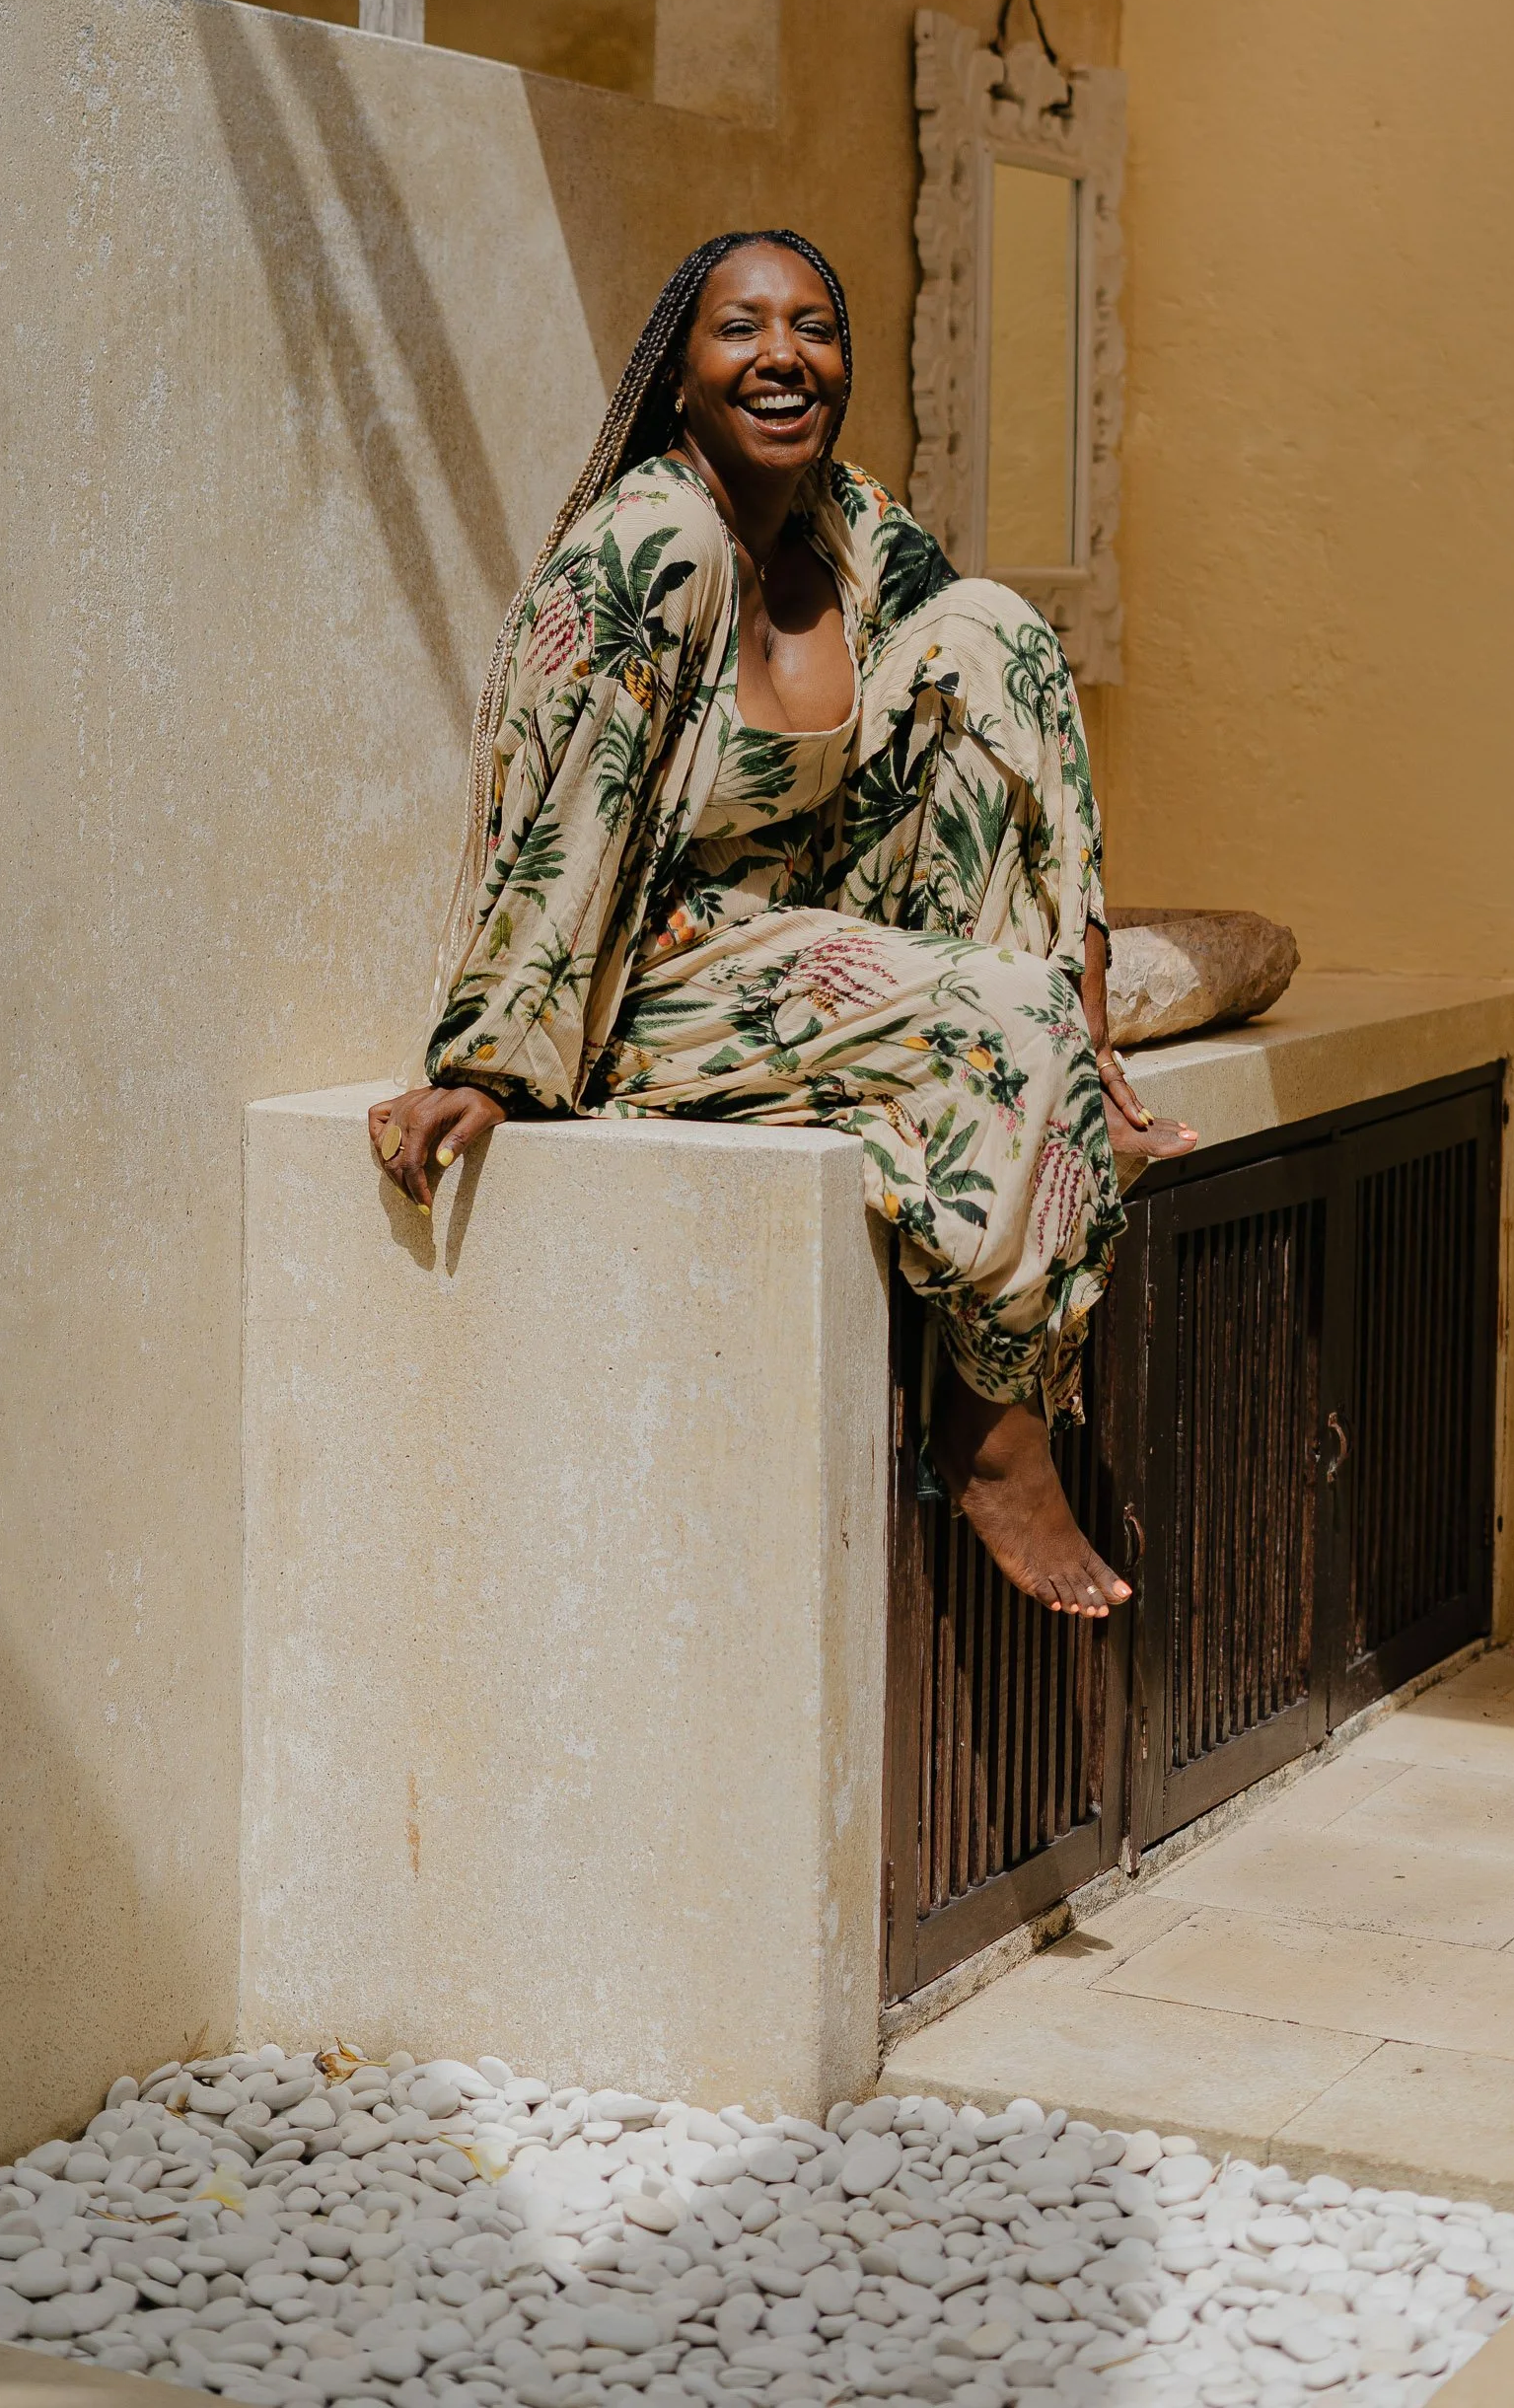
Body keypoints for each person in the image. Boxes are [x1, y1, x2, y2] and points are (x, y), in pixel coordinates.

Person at [369, 231, 1195, 1617]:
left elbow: (1013, 712)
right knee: (1002, 1024)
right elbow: (569, 810)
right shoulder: (658, 544)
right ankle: (991, 1434)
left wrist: (1080, 1006)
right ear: (678, 379)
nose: (781, 356)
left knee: (995, 628)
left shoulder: (846, 523)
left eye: (813, 327)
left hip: (807, 938)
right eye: (740, 328)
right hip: (653, 977)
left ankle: (1071, 1051)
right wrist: (489, 1069)